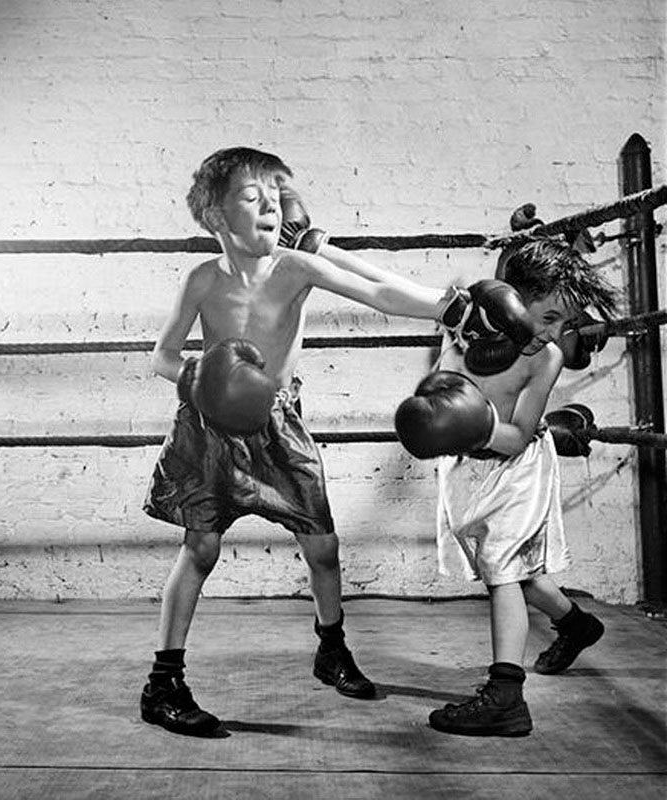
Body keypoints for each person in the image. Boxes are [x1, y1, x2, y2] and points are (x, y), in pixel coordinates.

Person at [141, 146, 462, 737]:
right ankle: (163, 684)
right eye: (250, 195)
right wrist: (197, 377)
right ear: (215, 217)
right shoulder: (203, 279)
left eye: (274, 193)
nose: (270, 205)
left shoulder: (296, 268)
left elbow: (378, 294)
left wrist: (447, 308)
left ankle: (331, 649)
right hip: (212, 425)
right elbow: (161, 355)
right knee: (201, 551)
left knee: (323, 547)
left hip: (279, 424)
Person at [394, 237, 617, 737]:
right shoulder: (464, 334)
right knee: (520, 574)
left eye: (567, 322)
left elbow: (516, 436)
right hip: (466, 468)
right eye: (549, 317)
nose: (556, 332)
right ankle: (577, 624)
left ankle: (505, 696)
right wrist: (440, 416)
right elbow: (437, 390)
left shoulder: (547, 357)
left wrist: (478, 425)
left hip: (519, 468)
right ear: (512, 301)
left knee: (503, 575)